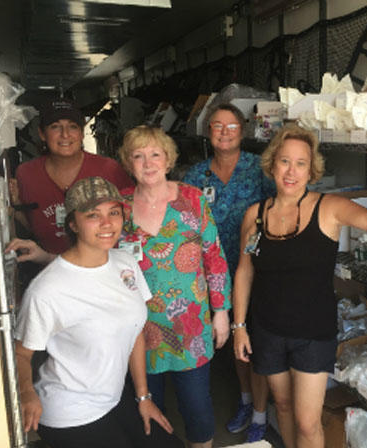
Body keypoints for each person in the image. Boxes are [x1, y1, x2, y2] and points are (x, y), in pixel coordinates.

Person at [231, 124, 367, 448]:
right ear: (272, 164)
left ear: (312, 170)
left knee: (308, 422)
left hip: (312, 333)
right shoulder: (255, 216)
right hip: (268, 330)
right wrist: (239, 326)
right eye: (285, 161)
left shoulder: (327, 208)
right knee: (285, 407)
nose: (291, 171)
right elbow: (244, 272)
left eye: (300, 163)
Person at [13, 176, 182, 448]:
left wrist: (143, 397)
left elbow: (135, 330)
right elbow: (21, 353)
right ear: (72, 223)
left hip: (114, 398)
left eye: (114, 212)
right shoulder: (48, 289)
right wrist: (26, 392)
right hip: (71, 411)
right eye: (93, 215)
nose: (107, 223)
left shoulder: (125, 263)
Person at [117, 125, 231, 448]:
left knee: (197, 406)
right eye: (138, 156)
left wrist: (221, 312)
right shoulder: (119, 207)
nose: (148, 163)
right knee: (149, 409)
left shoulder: (193, 200)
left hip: (190, 326)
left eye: (155, 154)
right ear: (128, 163)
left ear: (168, 160)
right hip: (138, 328)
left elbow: (215, 258)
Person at [182, 103, 275, 443]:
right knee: (233, 343)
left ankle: (261, 416)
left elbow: (277, 214)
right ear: (208, 132)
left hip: (255, 270)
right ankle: (245, 401)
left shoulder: (261, 170)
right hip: (210, 276)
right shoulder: (195, 177)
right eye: (217, 125)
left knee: (256, 343)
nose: (224, 131)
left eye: (232, 126)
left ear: (243, 131)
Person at [7, 98, 133, 264]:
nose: (65, 134)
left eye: (73, 126)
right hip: (50, 271)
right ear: (42, 134)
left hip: (105, 270)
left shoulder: (109, 169)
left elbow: (131, 224)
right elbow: (34, 226)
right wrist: (15, 209)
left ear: (81, 133)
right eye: (55, 127)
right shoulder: (27, 174)